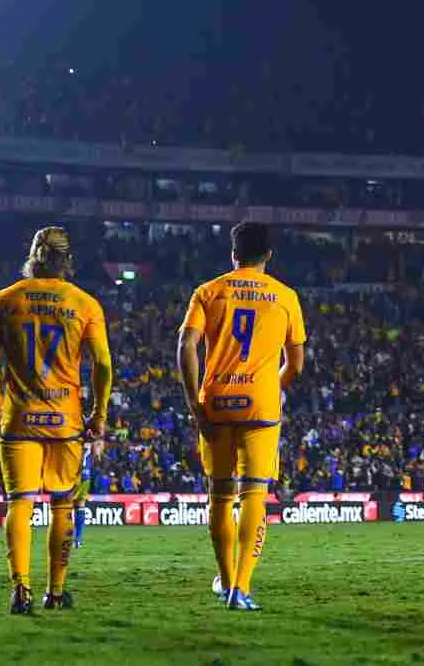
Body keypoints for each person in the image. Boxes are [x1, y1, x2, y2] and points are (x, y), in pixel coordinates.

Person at [0, 226, 112, 614]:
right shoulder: (84, 304)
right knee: (62, 506)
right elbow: (102, 365)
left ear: (32, 256)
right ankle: (56, 591)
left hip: (19, 418)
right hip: (65, 420)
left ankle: (21, 588)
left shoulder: (5, 300)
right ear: (67, 260)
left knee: (19, 502)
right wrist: (99, 414)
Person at [178, 221, 306, 611]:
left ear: (233, 255)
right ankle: (241, 589)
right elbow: (296, 365)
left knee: (219, 496)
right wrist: (271, 386)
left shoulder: (209, 291)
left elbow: (186, 343)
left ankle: (226, 579)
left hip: (216, 401)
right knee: (254, 493)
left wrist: (194, 403)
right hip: (260, 405)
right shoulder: (285, 296)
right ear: (268, 255)